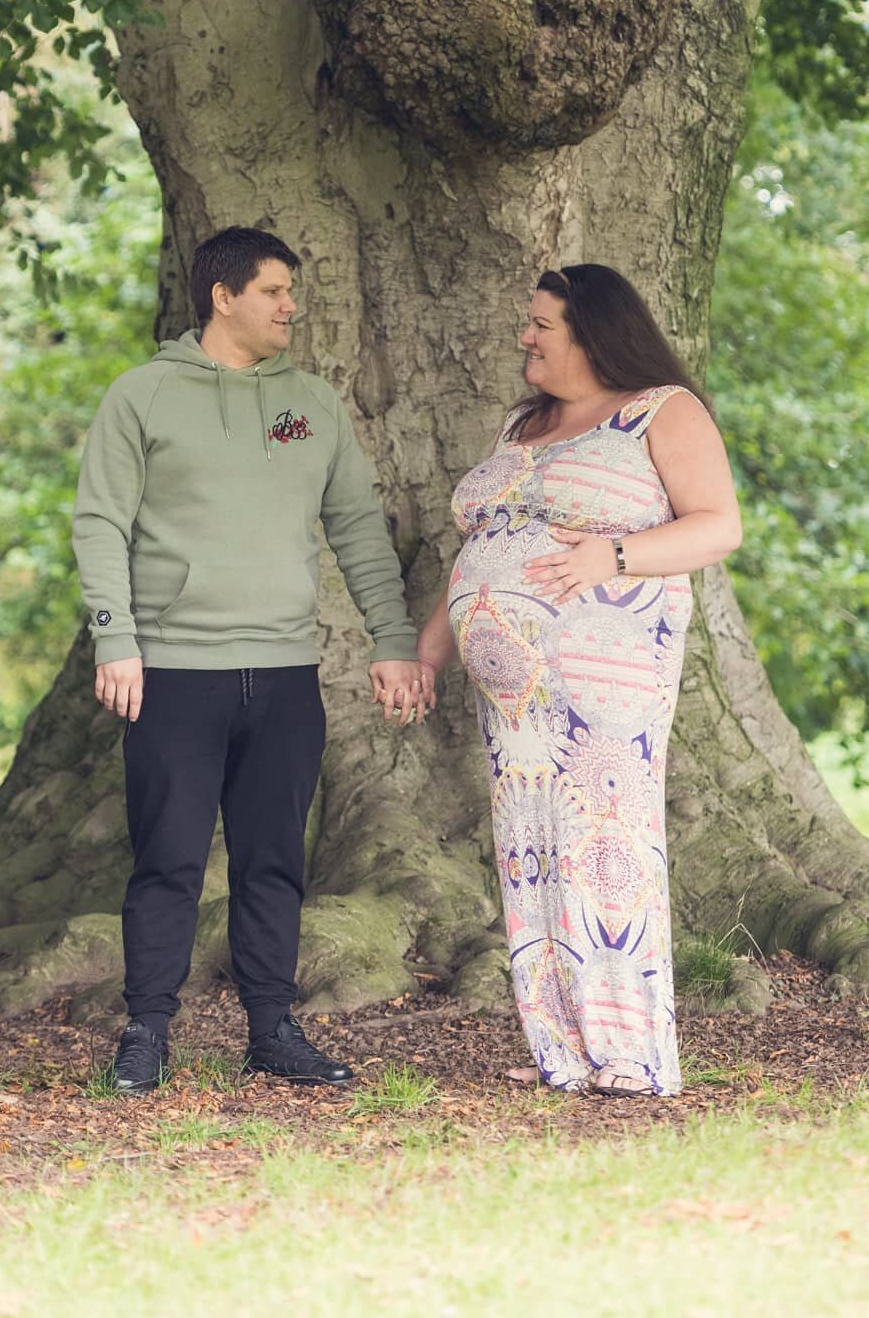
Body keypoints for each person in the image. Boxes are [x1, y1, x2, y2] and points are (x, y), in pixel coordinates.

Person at [73, 226, 425, 1095]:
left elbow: (356, 530)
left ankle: (272, 1028)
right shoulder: (143, 396)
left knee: (275, 859)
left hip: (282, 673)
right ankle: (147, 1030)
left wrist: (391, 639)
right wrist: (115, 638)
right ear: (223, 296)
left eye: (290, 291)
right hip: (174, 672)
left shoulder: (311, 404)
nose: (289, 306)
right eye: (273, 290)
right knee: (170, 859)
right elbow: (100, 522)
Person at [415, 264, 742, 1096]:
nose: (525, 335)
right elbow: (478, 559)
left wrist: (614, 554)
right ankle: (562, 1048)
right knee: (530, 855)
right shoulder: (523, 426)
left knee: (606, 845)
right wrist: (428, 653)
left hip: (606, 674)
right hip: (514, 700)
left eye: (540, 324)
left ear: (591, 331)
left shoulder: (662, 411)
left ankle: (629, 1052)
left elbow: (717, 526)